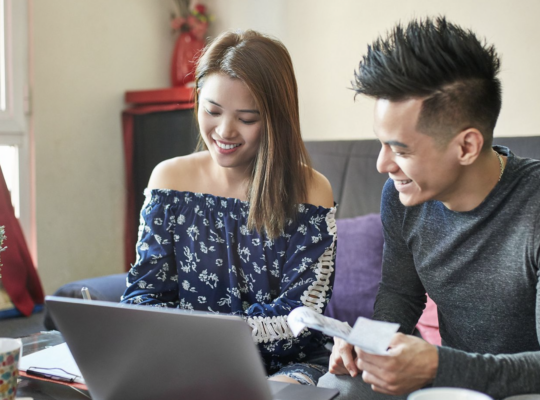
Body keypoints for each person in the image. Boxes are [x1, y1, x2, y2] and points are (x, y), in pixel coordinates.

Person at [318, 17, 540, 399]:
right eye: (382, 144)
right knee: (340, 386)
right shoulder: (402, 197)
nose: (383, 165)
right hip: (450, 381)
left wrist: (438, 364)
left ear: (466, 146)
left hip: (524, 387)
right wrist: (364, 344)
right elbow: (399, 297)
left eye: (401, 150)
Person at [121, 30, 337, 386]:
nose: (224, 131)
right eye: (212, 110)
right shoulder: (169, 179)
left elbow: (301, 316)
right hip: (186, 360)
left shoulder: (311, 189)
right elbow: (145, 295)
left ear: (276, 120)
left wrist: (202, 336)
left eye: (247, 119)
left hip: (286, 367)